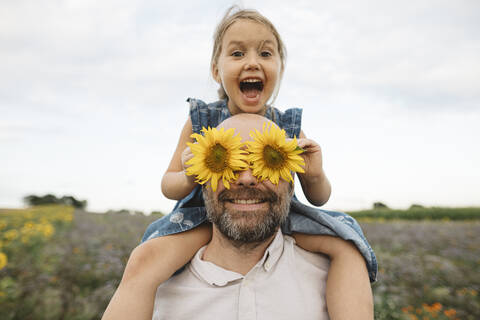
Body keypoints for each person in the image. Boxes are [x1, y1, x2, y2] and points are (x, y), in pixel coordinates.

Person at [102, 6, 376, 320]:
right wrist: (192, 173)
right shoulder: (201, 122)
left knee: (346, 244)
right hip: (201, 218)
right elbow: (169, 185)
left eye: (265, 53)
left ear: (279, 68)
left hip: (280, 215)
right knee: (146, 259)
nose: (252, 62)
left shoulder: (287, 126)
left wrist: (314, 174)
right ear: (216, 71)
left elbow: (319, 198)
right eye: (237, 53)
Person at [152, 114, 373, 319]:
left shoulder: (336, 277)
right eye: (228, 162)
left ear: (292, 182)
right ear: (200, 179)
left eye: (268, 162)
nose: (247, 178)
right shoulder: (153, 288)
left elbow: (319, 194)